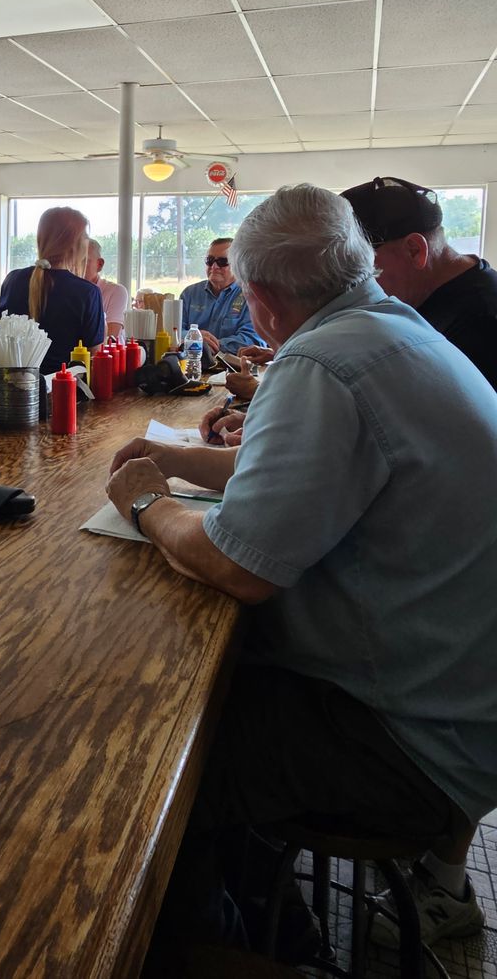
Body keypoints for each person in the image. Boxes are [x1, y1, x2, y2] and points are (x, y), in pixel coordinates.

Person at [107, 184, 497, 960]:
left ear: (259, 300)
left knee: (150, 764)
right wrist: (179, 457)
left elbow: (238, 565)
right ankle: (279, 922)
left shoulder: (321, 361)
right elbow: (301, 473)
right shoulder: (391, 326)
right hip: (461, 705)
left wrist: (150, 503)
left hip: (406, 742)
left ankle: (218, 950)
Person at [342, 175, 497, 389]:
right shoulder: (429, 300)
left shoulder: (484, 322)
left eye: (361, 264)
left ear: (414, 250)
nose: (354, 283)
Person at [0, 207, 104, 375]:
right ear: (75, 244)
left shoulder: (12, 280)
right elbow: (93, 357)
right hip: (63, 391)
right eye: (85, 236)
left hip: (12, 389)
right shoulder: (87, 293)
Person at [179, 237, 262, 357]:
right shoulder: (189, 294)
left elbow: (253, 339)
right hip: (190, 363)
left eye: (223, 262)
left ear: (238, 264)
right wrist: (194, 337)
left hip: (234, 368)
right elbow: (173, 330)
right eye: (210, 260)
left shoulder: (251, 295)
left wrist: (213, 345)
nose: (214, 266)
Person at [84, 239, 128, 340]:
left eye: (84, 261)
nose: (76, 266)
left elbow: (110, 338)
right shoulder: (68, 293)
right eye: (72, 261)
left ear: (99, 264)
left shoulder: (116, 291)